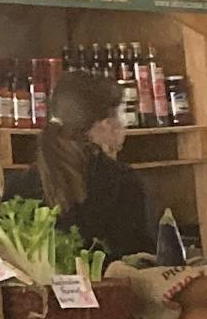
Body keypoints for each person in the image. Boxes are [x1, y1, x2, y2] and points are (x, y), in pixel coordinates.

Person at [23, 69, 152, 260]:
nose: (126, 124)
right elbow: (142, 260)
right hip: (110, 289)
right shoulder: (123, 183)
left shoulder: (22, 184)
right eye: (123, 113)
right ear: (106, 124)